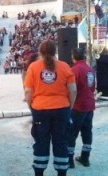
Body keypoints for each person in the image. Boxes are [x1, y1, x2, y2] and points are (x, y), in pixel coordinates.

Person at [24, 39, 77, 176]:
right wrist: (69, 107)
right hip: (62, 110)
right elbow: (73, 90)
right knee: (61, 142)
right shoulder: (65, 66)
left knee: (41, 142)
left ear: (40, 52)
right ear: (55, 51)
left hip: (40, 110)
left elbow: (28, 91)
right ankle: (61, 172)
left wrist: (31, 106)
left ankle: (39, 172)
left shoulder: (33, 67)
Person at [68, 48, 95, 168]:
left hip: (78, 106)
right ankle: (85, 158)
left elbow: (72, 89)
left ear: (73, 57)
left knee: (71, 133)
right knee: (87, 132)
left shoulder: (74, 69)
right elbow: (93, 87)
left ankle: (70, 160)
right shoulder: (90, 69)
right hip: (89, 105)